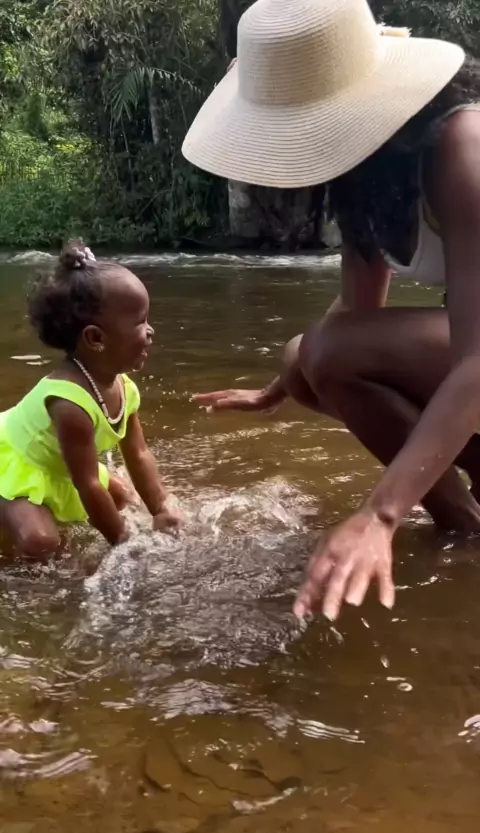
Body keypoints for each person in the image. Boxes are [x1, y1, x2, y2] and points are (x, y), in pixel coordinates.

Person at [183, 0, 480, 621]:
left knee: (324, 352)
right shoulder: (370, 170)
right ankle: (463, 524)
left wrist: (380, 514)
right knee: (305, 359)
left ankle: (456, 527)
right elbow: (355, 311)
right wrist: (278, 387)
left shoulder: (464, 149)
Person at [0, 240, 182, 561]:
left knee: (122, 497)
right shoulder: (69, 404)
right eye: (140, 322)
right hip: (17, 461)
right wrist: (123, 544)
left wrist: (161, 508)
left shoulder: (124, 389)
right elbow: (88, 485)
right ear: (96, 338)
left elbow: (138, 454)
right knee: (41, 543)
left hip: (59, 466)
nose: (151, 331)